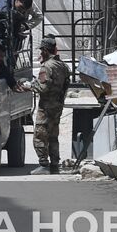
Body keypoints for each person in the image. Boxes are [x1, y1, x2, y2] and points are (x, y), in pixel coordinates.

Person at [31, 38, 70, 175]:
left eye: (42, 50)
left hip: (46, 108)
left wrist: (32, 84)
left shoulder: (47, 66)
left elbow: (43, 87)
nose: (41, 53)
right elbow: (66, 85)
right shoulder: (63, 66)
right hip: (57, 106)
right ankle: (54, 165)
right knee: (53, 136)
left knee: (40, 136)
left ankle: (43, 165)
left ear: (46, 50)